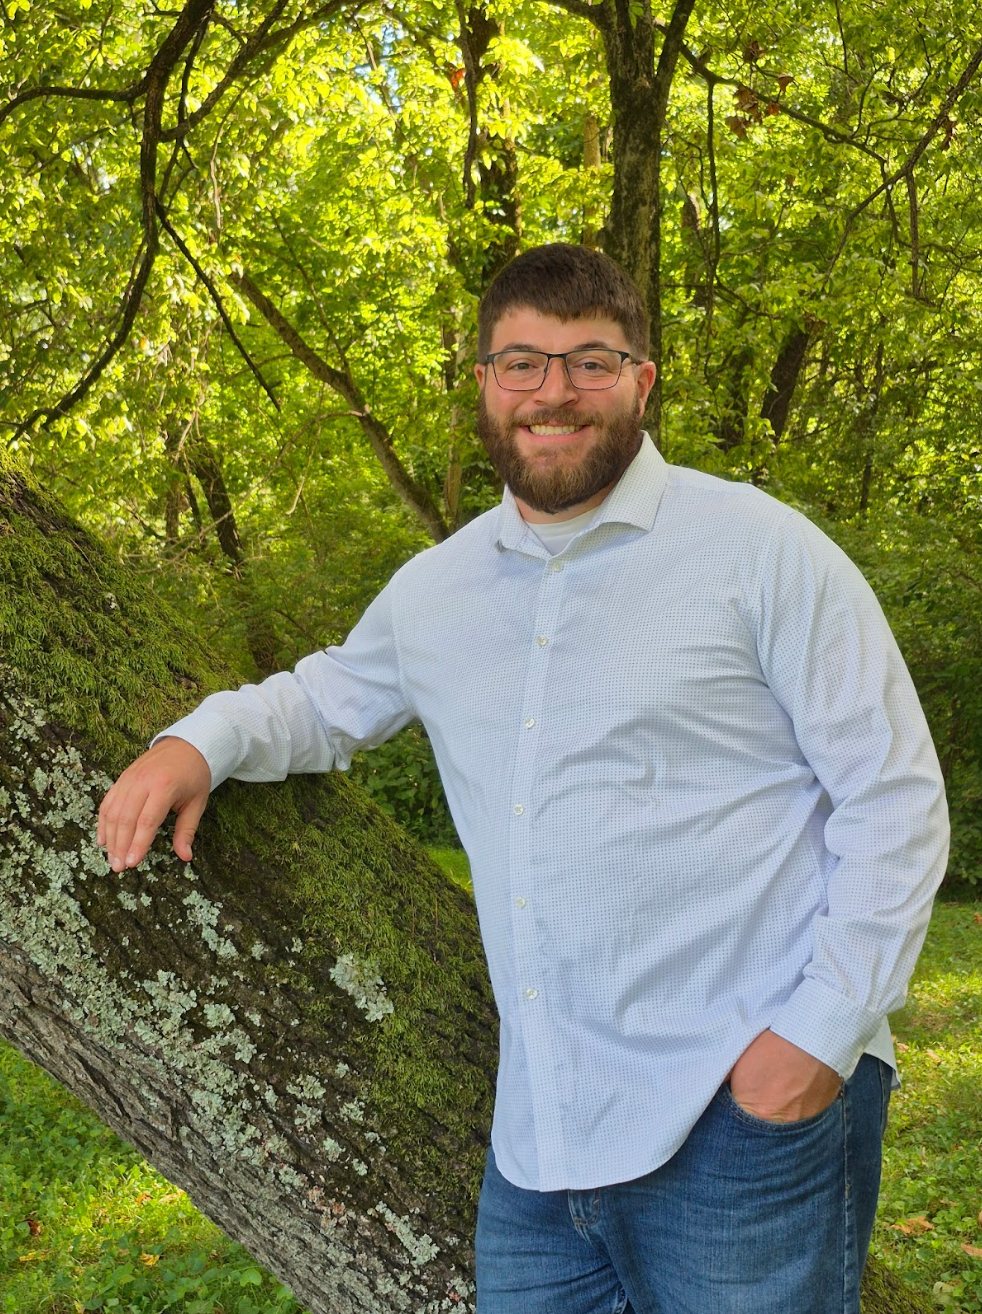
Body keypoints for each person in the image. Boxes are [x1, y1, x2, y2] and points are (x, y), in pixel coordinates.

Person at [98, 243, 949, 1314]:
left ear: (641, 378)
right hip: (543, 1145)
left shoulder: (761, 552)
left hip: (740, 1114)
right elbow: (320, 704)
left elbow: (893, 796)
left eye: (590, 361)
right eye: (522, 364)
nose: (555, 392)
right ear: (485, 390)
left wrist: (817, 1040)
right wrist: (197, 742)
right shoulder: (438, 590)